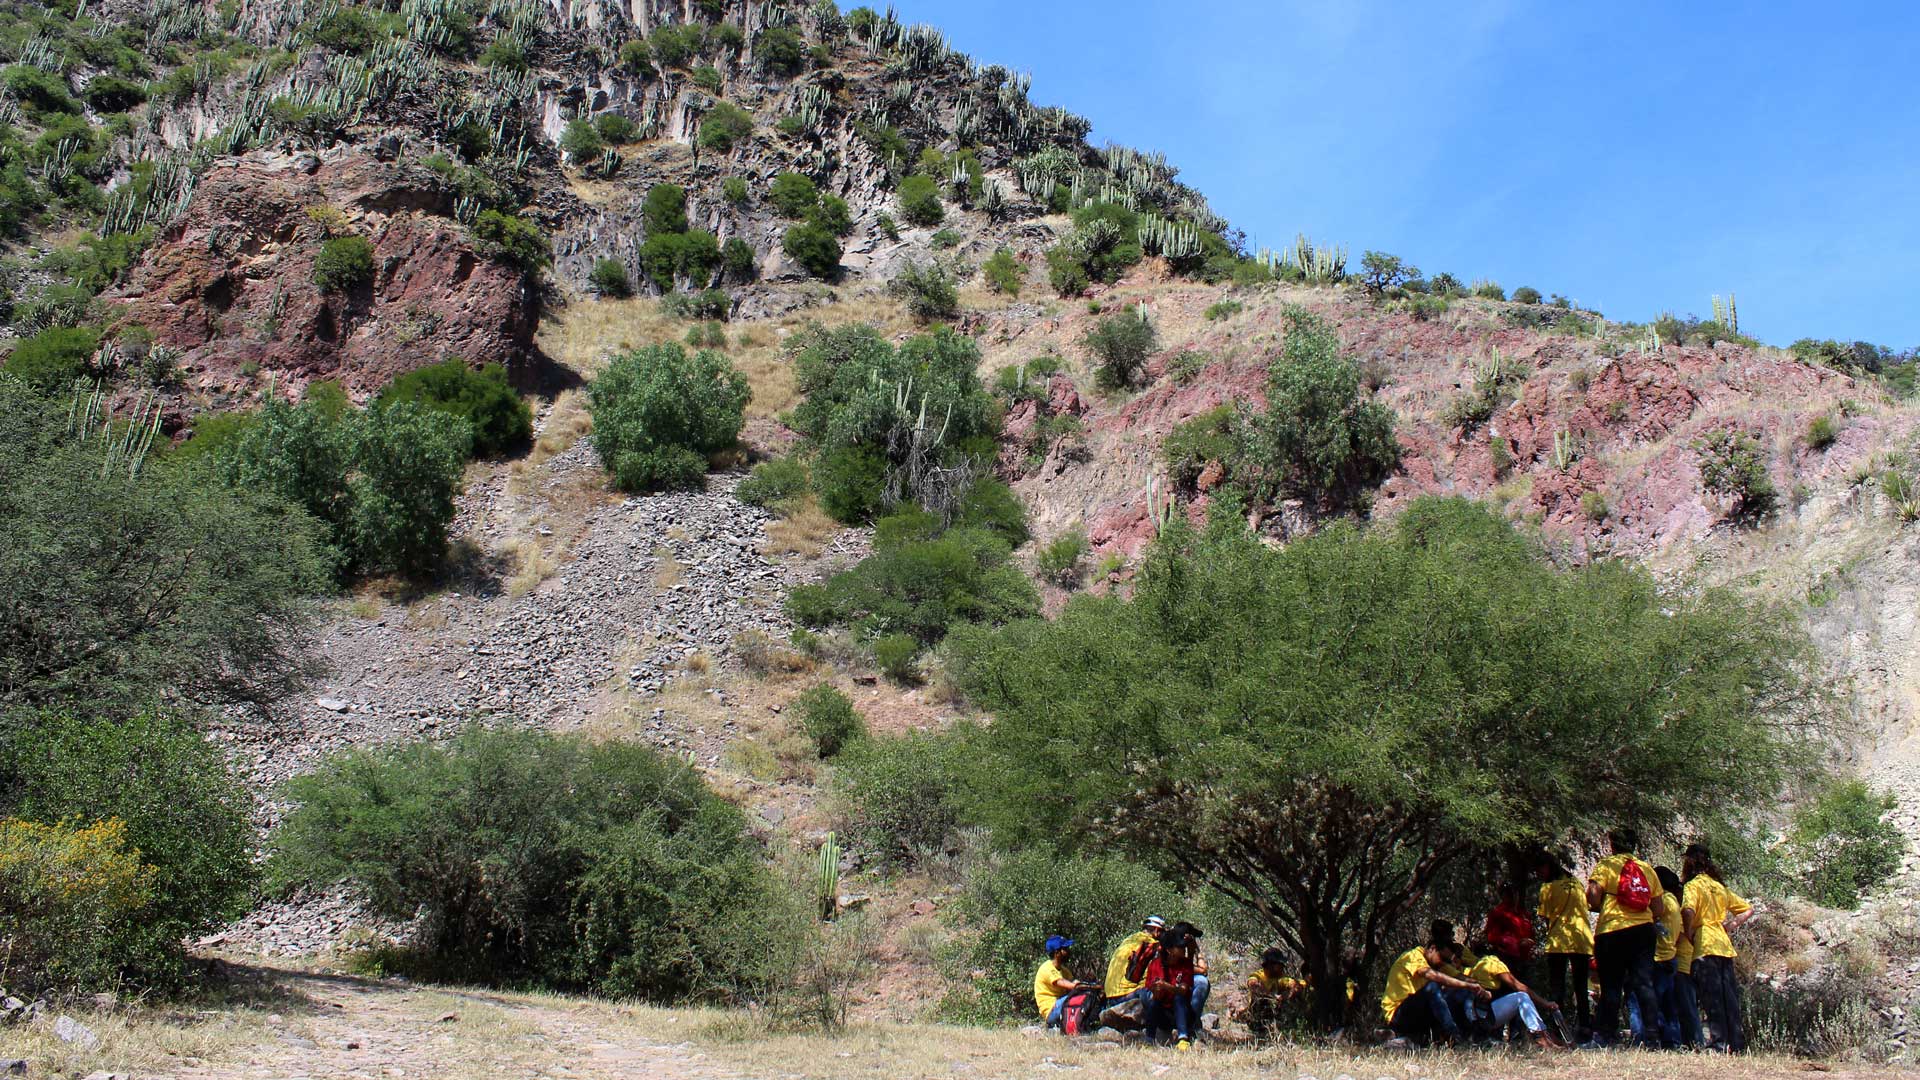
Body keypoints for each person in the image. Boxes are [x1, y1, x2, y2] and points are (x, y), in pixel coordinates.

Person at [1586, 828, 1669, 1049]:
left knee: (1611, 985)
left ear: (1612, 844)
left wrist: (1599, 904)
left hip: (1612, 930)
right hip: (1643, 931)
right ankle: (1653, 1037)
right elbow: (1658, 907)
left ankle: (1606, 1036)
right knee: (1644, 984)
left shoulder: (1606, 865)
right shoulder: (1646, 868)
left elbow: (1593, 896)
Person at [1683, 843, 1753, 1052]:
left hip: (1705, 943)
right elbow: (1748, 909)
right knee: (1729, 997)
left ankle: (1718, 1043)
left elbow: (1687, 911)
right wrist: (1730, 925)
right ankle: (1737, 1044)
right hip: (1723, 944)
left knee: (1711, 997)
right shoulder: (1719, 887)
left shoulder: (1693, 886)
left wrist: (1688, 933)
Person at [1380, 940, 1489, 1047]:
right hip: (1398, 1015)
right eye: (1442, 958)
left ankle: (1473, 1034)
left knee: (1462, 992)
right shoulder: (1413, 956)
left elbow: (1460, 978)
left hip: (1420, 1014)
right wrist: (1467, 985)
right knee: (1432, 987)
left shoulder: (1438, 963)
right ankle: (1453, 1035)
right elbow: (1431, 975)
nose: (1444, 963)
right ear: (1432, 949)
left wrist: (1480, 988)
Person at [1465, 937, 1562, 1049]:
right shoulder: (1495, 963)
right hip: (1484, 1017)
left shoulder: (1480, 963)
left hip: (1477, 1015)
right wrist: (1545, 1003)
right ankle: (1539, 1038)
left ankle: (1542, 1036)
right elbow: (1518, 986)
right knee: (1522, 997)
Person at [1537, 853, 1594, 1041]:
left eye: (1540, 868)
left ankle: (1557, 1030)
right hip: (1582, 940)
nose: (1539, 873)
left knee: (1557, 989)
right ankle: (1585, 1028)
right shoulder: (1576, 883)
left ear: (1548, 866)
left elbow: (1545, 917)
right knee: (1581, 988)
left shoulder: (1548, 888)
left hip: (1559, 942)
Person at [1142, 930, 1199, 1049]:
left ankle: (1183, 1038)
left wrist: (1165, 986)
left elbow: (1183, 990)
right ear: (1169, 950)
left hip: (1183, 1013)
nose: (1184, 949)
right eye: (1180, 947)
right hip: (1164, 1015)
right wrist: (1156, 990)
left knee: (1179, 998)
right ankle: (1149, 1040)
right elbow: (1152, 991)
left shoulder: (1186, 964)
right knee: (1154, 1003)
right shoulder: (1155, 964)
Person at [1241, 947, 1301, 1039]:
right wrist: (1272, 997)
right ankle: (1261, 1030)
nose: (1283, 966)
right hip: (1258, 1017)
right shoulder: (1257, 976)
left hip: (1278, 1015)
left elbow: (1296, 987)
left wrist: (1285, 996)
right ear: (1271, 965)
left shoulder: (1282, 978)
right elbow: (1253, 985)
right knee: (1262, 1000)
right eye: (1280, 964)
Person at [1035, 935, 1092, 1030]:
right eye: (1065, 949)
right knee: (1084, 996)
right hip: (1051, 1011)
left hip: (1060, 1006)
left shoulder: (1064, 970)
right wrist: (1085, 987)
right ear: (1057, 953)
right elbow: (1067, 984)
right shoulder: (1047, 968)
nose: (1068, 951)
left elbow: (1074, 982)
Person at [1105, 916, 1165, 1000]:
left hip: (1110, 995)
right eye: (1162, 931)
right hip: (1127, 994)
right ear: (1156, 930)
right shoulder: (1152, 945)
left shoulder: (1129, 939)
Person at [1485, 881, 1537, 969]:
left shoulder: (1523, 914)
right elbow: (1492, 937)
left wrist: (1531, 943)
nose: (1511, 896)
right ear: (1502, 895)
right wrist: (1516, 943)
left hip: (1525, 959)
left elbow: (1531, 933)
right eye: (1508, 893)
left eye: (1513, 893)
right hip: (1507, 960)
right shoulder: (1498, 913)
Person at [1171, 921, 1212, 1020]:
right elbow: (1203, 971)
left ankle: (1189, 1019)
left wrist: (1191, 951)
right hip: (1171, 991)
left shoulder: (1173, 947)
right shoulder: (1173, 950)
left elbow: (1188, 969)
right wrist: (1196, 950)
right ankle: (1192, 1022)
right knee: (1202, 981)